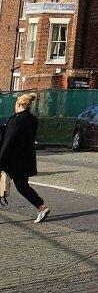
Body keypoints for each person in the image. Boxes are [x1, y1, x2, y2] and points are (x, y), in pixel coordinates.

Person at [0, 93, 50, 223]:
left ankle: (41, 207)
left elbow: (8, 142)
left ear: (18, 104)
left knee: (17, 185)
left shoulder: (16, 120)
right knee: (22, 186)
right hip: (25, 158)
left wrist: (1, 161)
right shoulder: (32, 119)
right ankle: (41, 207)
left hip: (12, 160)